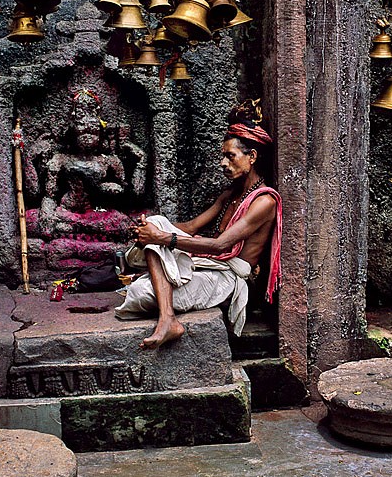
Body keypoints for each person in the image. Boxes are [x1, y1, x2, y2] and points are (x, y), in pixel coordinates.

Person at [114, 100, 283, 349]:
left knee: (140, 293)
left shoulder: (264, 201)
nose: (223, 163)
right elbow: (191, 227)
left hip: (227, 278)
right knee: (154, 223)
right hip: (207, 266)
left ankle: (167, 319)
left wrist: (161, 238)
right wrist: (148, 230)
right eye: (222, 156)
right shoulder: (230, 194)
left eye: (230, 156)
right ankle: (168, 319)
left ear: (252, 157)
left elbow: (220, 245)